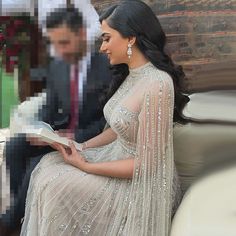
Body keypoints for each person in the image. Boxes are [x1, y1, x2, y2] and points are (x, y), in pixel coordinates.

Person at [21, 1, 188, 235]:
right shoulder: (131, 75)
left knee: (55, 183)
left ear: (131, 38)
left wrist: (87, 165)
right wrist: (81, 146)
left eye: (107, 38)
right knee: (49, 164)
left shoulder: (158, 83)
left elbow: (146, 166)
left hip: (141, 186)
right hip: (118, 159)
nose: (102, 48)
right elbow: (117, 129)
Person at [0, 5, 111, 235]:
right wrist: (40, 129)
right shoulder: (58, 65)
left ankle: (11, 221)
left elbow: (108, 121)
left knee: (35, 167)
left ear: (81, 33)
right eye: (54, 44)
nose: (59, 51)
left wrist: (74, 137)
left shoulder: (108, 67)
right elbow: (49, 107)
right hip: (56, 135)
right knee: (13, 148)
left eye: (64, 43)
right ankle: (24, 215)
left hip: (89, 141)